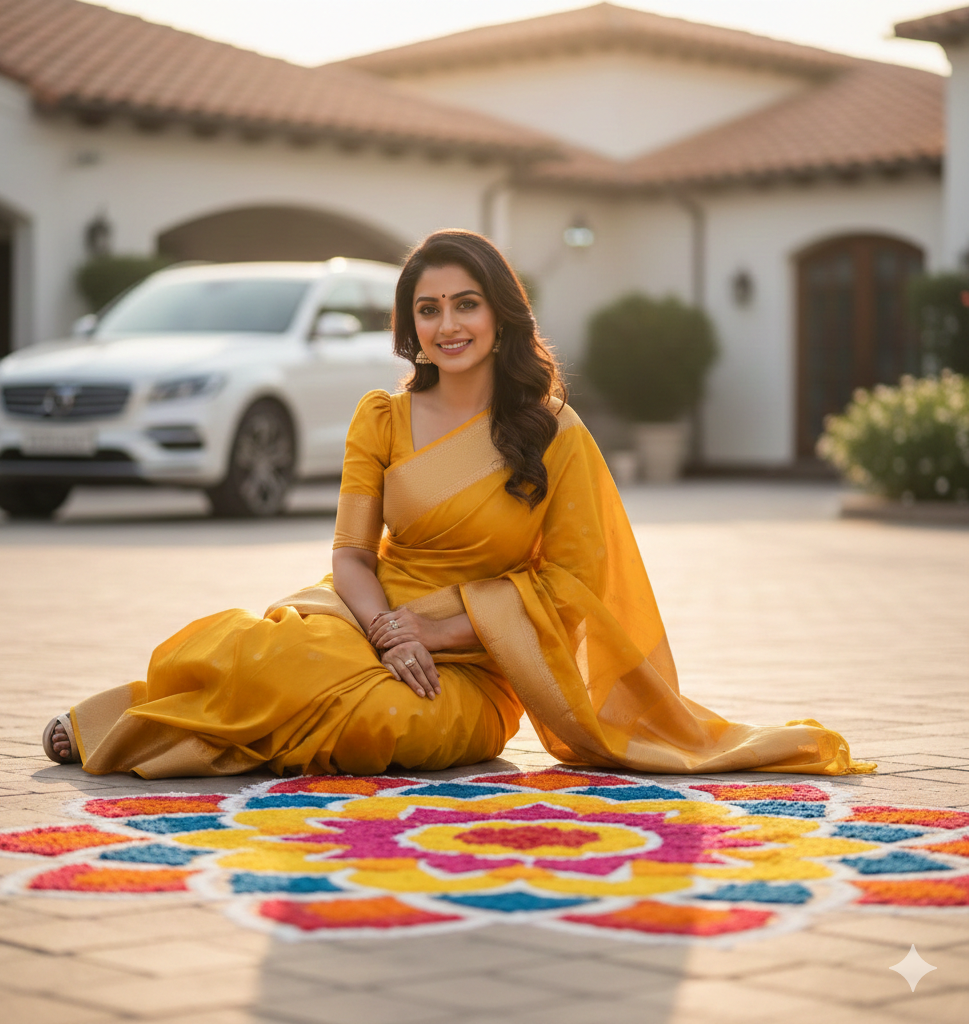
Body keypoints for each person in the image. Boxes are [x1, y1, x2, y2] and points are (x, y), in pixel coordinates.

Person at [43, 229, 873, 778]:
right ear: (410, 325)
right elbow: (351, 556)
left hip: (481, 660)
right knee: (269, 652)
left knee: (385, 725)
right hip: (364, 614)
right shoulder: (383, 417)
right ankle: (114, 720)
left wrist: (437, 634)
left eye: (465, 304)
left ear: (499, 315)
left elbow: (576, 584)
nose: (448, 325)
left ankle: (166, 736)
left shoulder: (555, 435)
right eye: (428, 309)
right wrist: (385, 629)